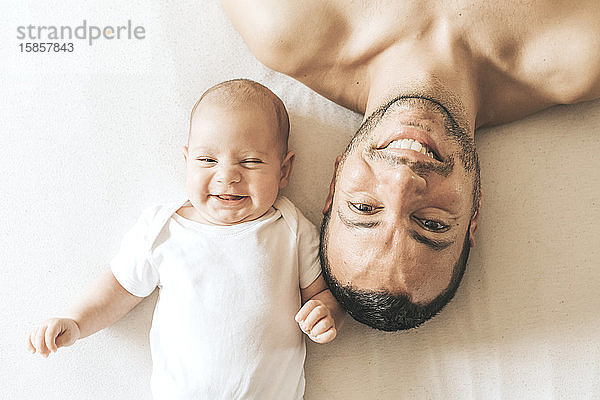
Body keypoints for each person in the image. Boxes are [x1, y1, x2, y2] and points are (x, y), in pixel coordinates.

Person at [221, 0, 600, 331]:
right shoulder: (584, 51)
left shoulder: (283, 23)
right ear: (474, 211)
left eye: (364, 207)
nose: (402, 179)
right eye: (431, 223)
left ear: (336, 181)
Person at [26, 79, 344, 399]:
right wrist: (76, 321)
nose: (227, 176)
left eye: (250, 161)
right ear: (187, 160)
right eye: (207, 160)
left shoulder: (290, 227)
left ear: (284, 170)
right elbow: (120, 286)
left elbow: (321, 292)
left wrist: (326, 311)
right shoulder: (165, 228)